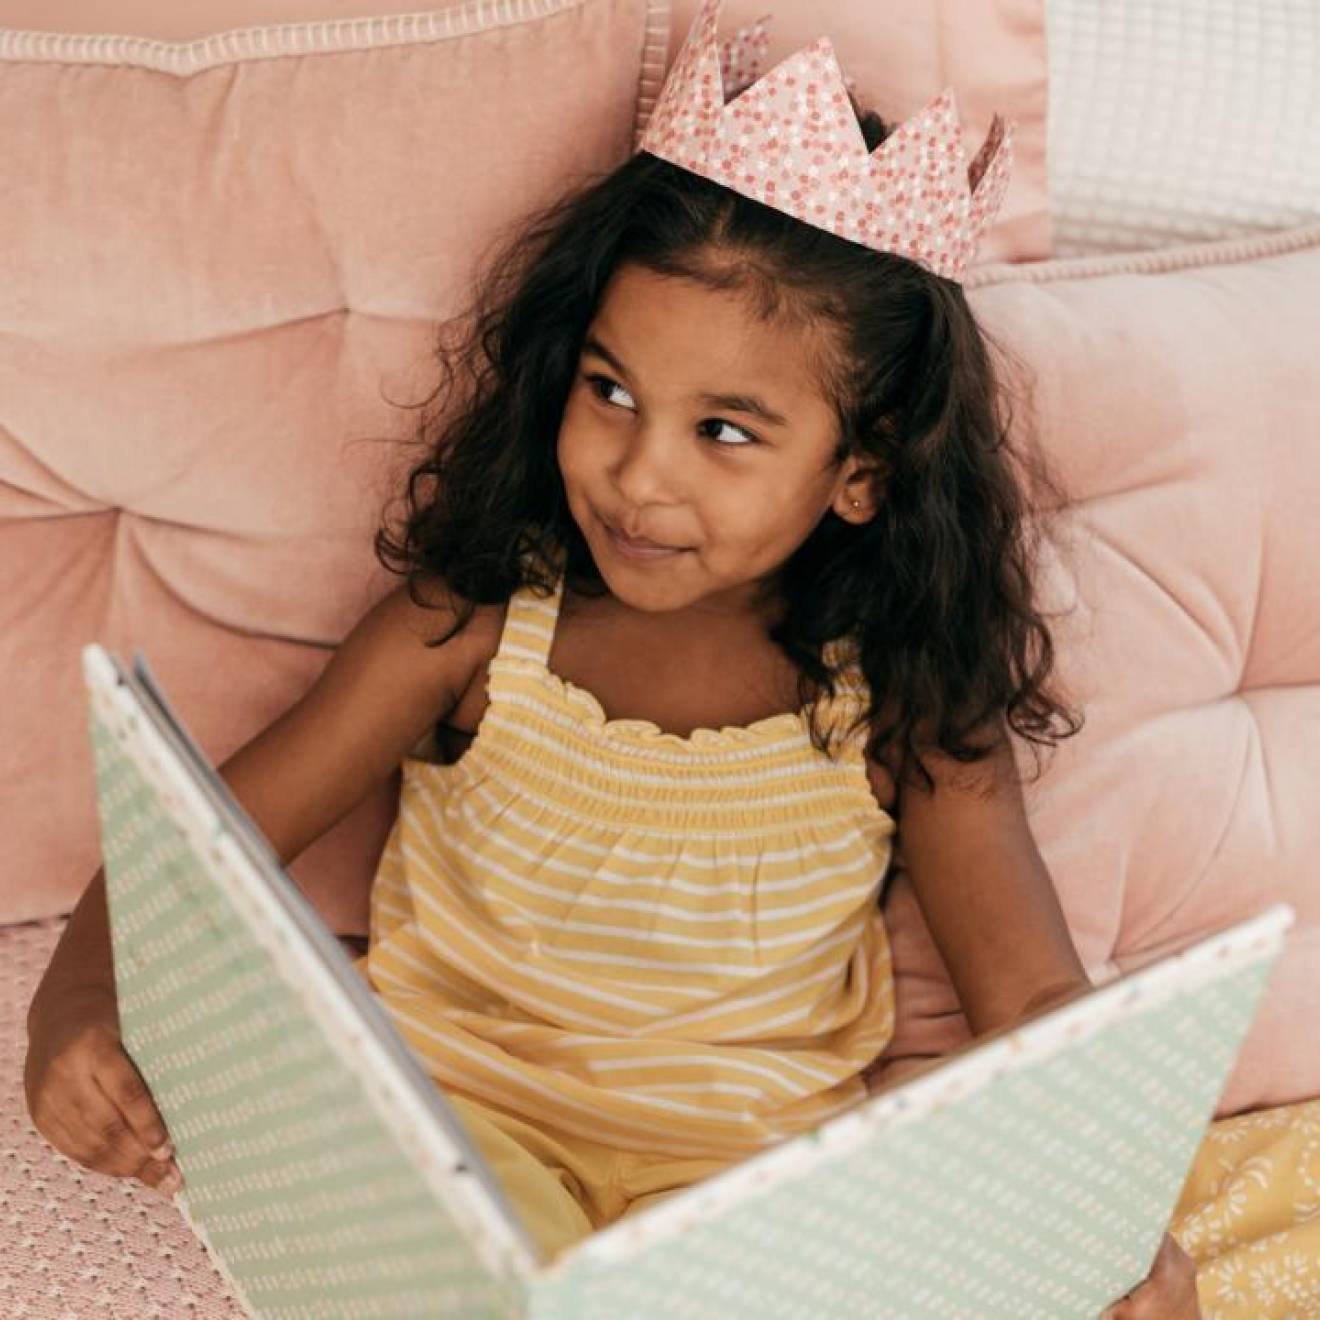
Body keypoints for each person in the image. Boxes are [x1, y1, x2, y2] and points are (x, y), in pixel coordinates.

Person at [25, 2, 1203, 1312]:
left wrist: (1118, 1216)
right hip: (465, 1143)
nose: (637, 476)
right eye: (612, 391)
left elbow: (1037, 999)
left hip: (761, 1182)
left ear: (862, 471)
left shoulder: (909, 699)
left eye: (728, 434)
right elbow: (193, 847)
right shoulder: (474, 626)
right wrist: (70, 1003)